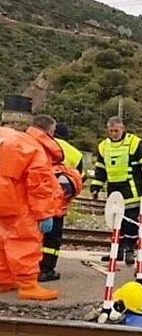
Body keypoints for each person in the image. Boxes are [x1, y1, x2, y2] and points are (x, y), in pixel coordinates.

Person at [0, 117, 59, 300]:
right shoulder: (35, 149)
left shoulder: (8, 137)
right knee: (25, 241)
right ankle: (28, 285)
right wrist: (44, 214)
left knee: (2, 240)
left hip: (4, 195)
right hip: (18, 201)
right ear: (50, 133)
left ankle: (3, 279)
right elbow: (39, 185)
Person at [26, 119, 83, 282]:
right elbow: (79, 179)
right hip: (58, 201)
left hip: (33, 199)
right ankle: (47, 270)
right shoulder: (74, 153)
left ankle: (29, 269)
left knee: (30, 237)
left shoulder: (31, 141)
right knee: (52, 239)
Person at [90, 117, 142, 265]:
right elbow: (100, 169)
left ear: (123, 128)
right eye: (111, 131)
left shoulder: (134, 143)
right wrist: (96, 187)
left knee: (130, 222)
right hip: (114, 190)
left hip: (131, 190)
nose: (113, 133)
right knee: (116, 221)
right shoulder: (103, 146)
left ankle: (129, 250)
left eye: (116, 130)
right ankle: (116, 251)